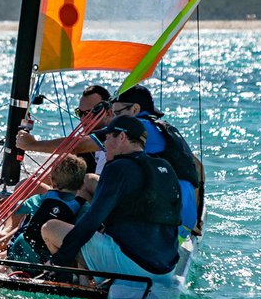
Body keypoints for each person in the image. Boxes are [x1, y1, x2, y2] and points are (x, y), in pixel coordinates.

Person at [47, 116, 182, 283]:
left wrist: (58, 259)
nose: (104, 144)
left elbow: (91, 221)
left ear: (122, 137)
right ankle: (88, 279)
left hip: (135, 268)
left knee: (51, 229)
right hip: (167, 268)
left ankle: (77, 285)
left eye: (107, 137)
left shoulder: (117, 167)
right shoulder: (165, 167)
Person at [107, 84, 203, 236]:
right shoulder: (163, 129)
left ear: (135, 109)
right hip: (185, 224)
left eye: (117, 113)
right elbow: (197, 167)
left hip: (169, 228)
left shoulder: (137, 127)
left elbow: (81, 145)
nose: (113, 119)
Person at [6, 154, 91, 265]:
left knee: (25, 224)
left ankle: (6, 269)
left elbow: (16, 209)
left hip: (22, 252)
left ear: (51, 181)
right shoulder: (83, 207)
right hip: (50, 258)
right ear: (82, 185)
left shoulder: (40, 199)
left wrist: (9, 204)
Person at [16, 83, 112, 173]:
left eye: (89, 113)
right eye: (80, 113)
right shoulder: (85, 142)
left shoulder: (113, 133)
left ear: (108, 113)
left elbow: (75, 147)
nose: (83, 118)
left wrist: (32, 144)